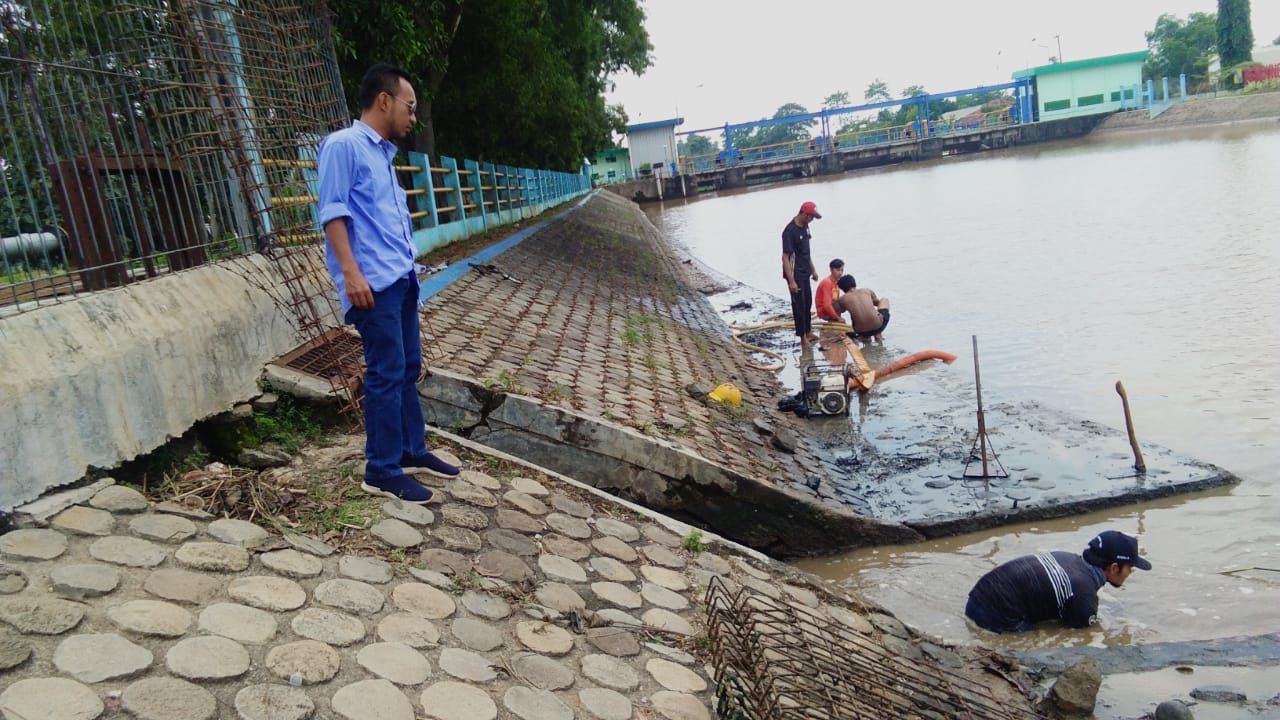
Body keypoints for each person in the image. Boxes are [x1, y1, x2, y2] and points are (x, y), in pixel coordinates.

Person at [317, 64, 460, 504]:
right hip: (372, 285)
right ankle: (380, 470)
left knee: (406, 368)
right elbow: (332, 212)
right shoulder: (344, 146)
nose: (413, 117)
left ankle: (411, 450)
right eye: (409, 107)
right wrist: (351, 273)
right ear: (384, 100)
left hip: (400, 280)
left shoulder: (382, 154)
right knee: (384, 373)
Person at [964, 530, 1153, 634]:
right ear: (1113, 568)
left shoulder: (1067, 558)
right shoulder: (1083, 592)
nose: (1131, 571)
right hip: (992, 617)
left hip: (977, 598)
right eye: (1130, 566)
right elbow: (1083, 633)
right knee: (1034, 643)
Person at [781, 201, 822, 346]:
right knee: (799, 305)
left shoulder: (806, 227)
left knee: (808, 302)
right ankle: (802, 336)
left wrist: (813, 270)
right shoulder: (789, 232)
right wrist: (791, 281)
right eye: (811, 217)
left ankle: (808, 330)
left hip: (805, 270)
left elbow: (807, 252)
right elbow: (785, 257)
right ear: (804, 214)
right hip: (794, 273)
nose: (811, 220)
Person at [835, 274, 890, 342]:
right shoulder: (867, 290)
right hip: (878, 326)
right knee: (884, 300)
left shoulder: (842, 299)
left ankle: (867, 338)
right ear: (854, 283)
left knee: (859, 315)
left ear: (842, 289)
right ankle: (878, 334)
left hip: (861, 332)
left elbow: (839, 311)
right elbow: (877, 303)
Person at [814, 258, 845, 323]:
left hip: (830, 310)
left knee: (845, 299)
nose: (840, 273)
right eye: (838, 270)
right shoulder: (827, 282)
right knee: (847, 301)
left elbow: (835, 300)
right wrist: (837, 318)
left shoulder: (836, 283)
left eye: (842, 270)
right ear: (831, 269)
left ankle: (834, 320)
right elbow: (827, 305)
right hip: (823, 312)